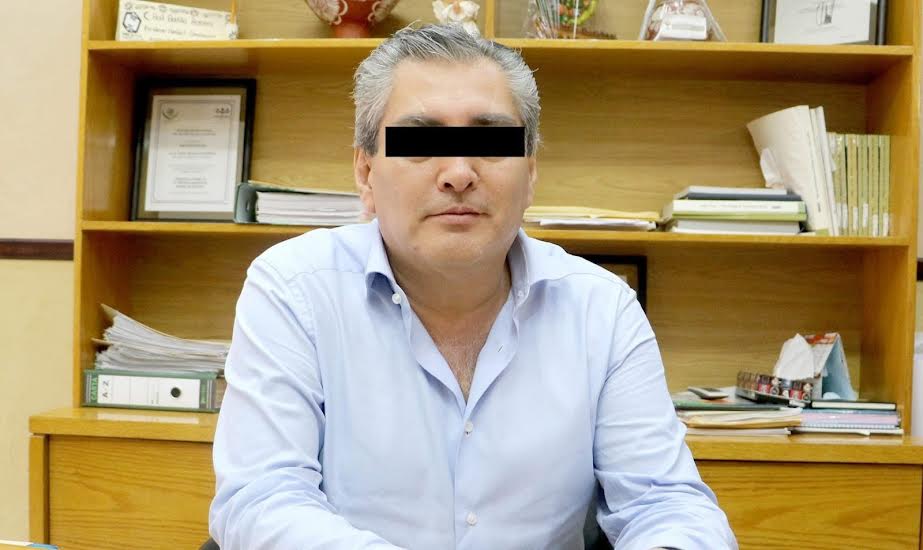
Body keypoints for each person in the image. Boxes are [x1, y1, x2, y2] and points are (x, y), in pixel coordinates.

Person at [209, 23, 736, 550]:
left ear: (530, 174)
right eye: (421, 143)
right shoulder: (293, 289)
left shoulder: (602, 309)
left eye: (490, 142)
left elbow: (667, 505)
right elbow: (263, 500)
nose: (458, 173)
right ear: (366, 173)